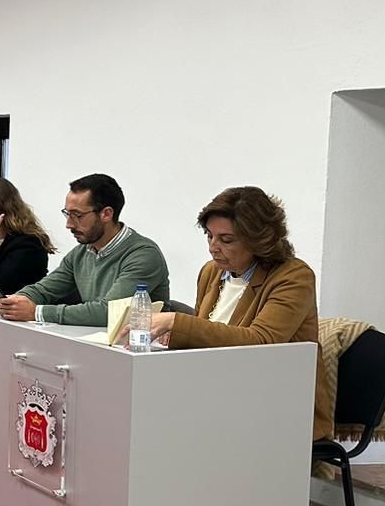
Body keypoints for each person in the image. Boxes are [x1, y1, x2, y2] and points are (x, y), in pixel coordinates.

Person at [126, 187, 331, 440]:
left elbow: (261, 342)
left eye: (226, 240)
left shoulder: (293, 277)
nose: (213, 247)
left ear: (259, 240)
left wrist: (176, 322)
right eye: (209, 236)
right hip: (220, 390)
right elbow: (207, 343)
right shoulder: (211, 272)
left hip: (276, 402)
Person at [0, 173, 170, 324]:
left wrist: (37, 312)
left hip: (139, 352)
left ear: (106, 214)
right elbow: (44, 289)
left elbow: (109, 312)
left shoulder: (143, 255)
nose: (69, 224)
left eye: (77, 215)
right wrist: (15, 301)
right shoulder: (82, 252)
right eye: (67, 214)